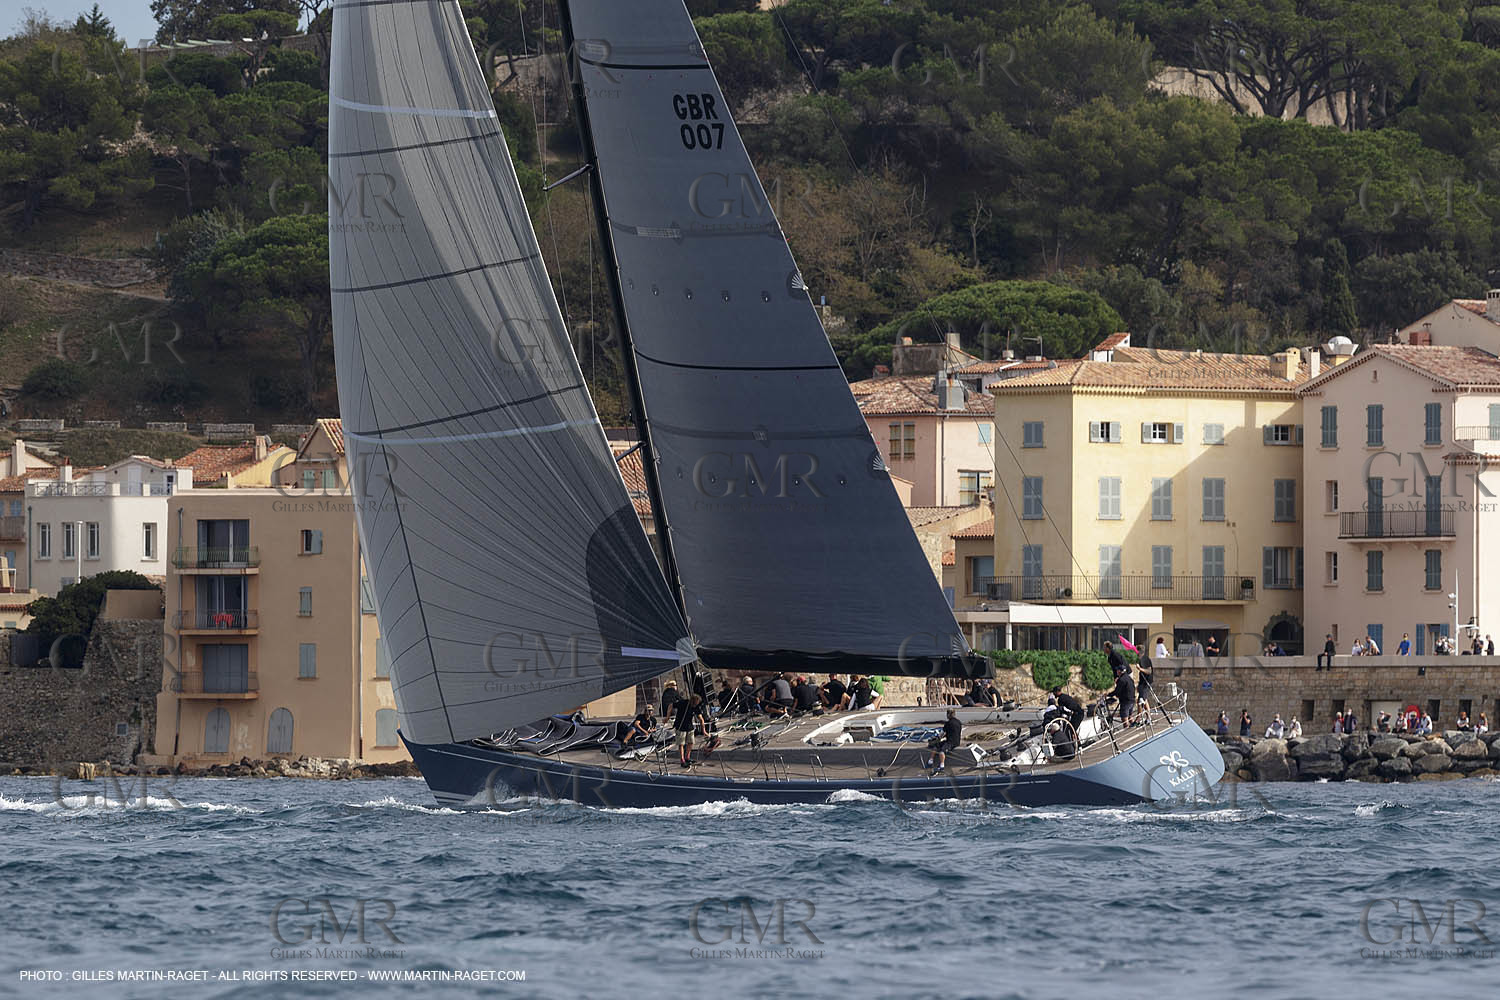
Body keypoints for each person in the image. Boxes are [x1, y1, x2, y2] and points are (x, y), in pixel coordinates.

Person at [672, 694, 709, 767]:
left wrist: (704, 730)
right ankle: (682, 760)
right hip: (680, 726)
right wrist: (667, 717)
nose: (695, 705)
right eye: (695, 703)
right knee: (681, 744)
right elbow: (671, 705)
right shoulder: (683, 703)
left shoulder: (696, 707)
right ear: (692, 701)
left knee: (691, 742)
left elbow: (701, 719)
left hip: (689, 726)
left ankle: (687, 757)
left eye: (697, 703)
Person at [929, 708, 963, 774]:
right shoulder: (959, 722)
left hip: (951, 742)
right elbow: (953, 732)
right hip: (957, 741)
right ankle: (931, 760)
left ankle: (942, 765)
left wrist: (937, 738)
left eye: (947, 714)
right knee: (937, 745)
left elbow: (942, 734)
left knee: (942, 751)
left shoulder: (948, 723)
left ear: (949, 714)